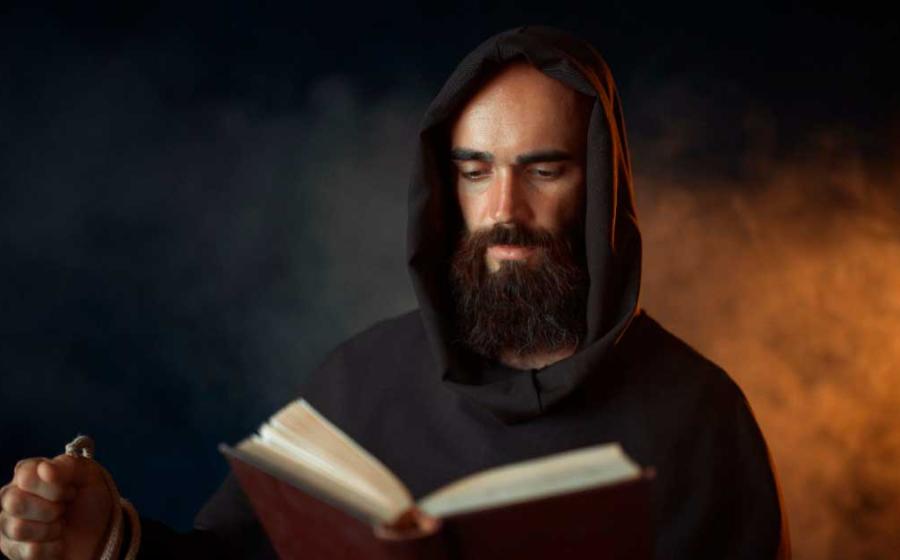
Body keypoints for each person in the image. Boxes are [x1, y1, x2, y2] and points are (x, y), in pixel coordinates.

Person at [0, 25, 790, 559]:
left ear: (601, 188)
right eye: (475, 172)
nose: (505, 211)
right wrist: (111, 539)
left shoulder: (701, 418)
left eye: (544, 170)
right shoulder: (357, 382)